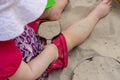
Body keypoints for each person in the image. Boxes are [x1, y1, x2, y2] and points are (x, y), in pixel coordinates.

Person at [0, 0, 112, 80]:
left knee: (26, 12)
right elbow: (28, 74)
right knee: (68, 38)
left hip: (22, 33)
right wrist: (51, 53)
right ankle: (96, 15)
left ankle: (50, 12)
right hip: (33, 62)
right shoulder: (3, 57)